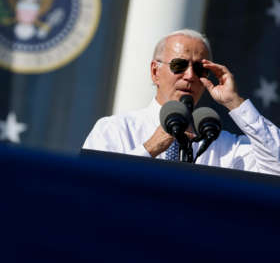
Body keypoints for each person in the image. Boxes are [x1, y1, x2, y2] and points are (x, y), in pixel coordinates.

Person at [82, 29, 280, 175]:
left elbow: (276, 166)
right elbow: (90, 185)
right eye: (179, 65)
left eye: (200, 69)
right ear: (155, 71)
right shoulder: (115, 130)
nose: (190, 76)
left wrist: (235, 102)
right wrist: (149, 149)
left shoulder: (224, 145)